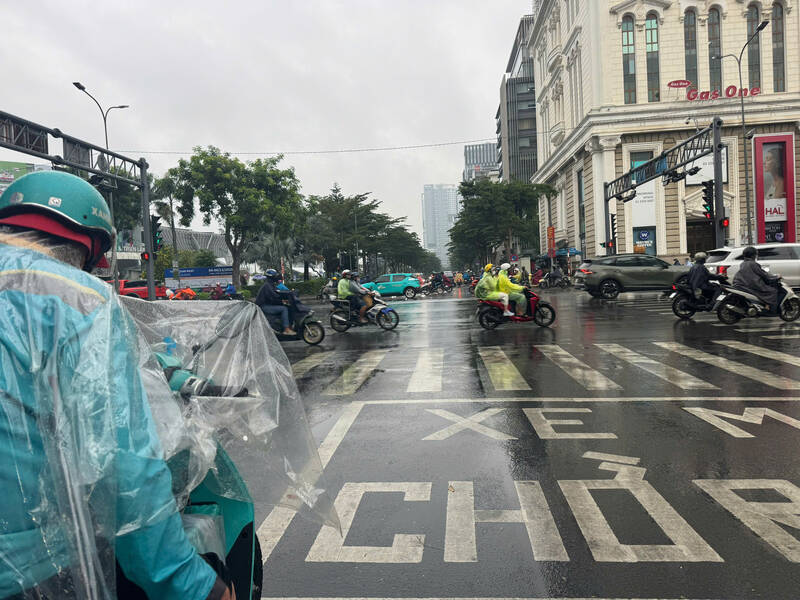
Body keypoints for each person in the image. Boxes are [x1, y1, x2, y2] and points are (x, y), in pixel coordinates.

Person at [0, 171, 233, 599]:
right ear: (90, 248)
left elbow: (154, 361)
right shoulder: (79, 298)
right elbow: (122, 467)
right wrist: (190, 583)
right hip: (30, 564)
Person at [733, 246, 783, 312]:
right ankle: (767, 307)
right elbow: (764, 275)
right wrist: (776, 277)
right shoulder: (753, 264)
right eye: (756, 254)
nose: (756, 256)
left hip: (741, 283)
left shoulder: (743, 263)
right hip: (751, 285)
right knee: (772, 291)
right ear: (753, 255)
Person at [256, 268, 297, 335]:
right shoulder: (267, 286)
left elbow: (279, 292)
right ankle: (286, 329)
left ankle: (286, 325)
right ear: (272, 277)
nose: (277, 277)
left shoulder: (271, 284)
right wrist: (282, 301)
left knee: (286, 306)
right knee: (284, 309)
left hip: (267, 305)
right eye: (275, 276)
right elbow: (274, 297)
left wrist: (289, 294)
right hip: (264, 306)